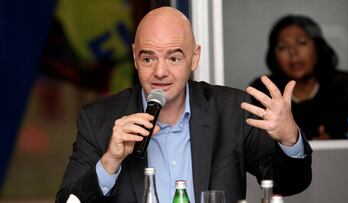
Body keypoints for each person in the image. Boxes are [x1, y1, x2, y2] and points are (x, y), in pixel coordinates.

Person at [56, 7, 312, 203]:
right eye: (148, 58)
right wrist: (110, 161)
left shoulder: (232, 110)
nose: (160, 72)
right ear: (135, 57)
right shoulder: (99, 118)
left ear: (194, 58)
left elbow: (288, 185)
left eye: (174, 58)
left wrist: (290, 139)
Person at [250, 14, 348, 140]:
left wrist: (334, 142)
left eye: (302, 43)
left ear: (318, 48)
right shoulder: (264, 93)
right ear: (274, 57)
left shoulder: (344, 89)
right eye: (283, 47)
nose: (293, 52)